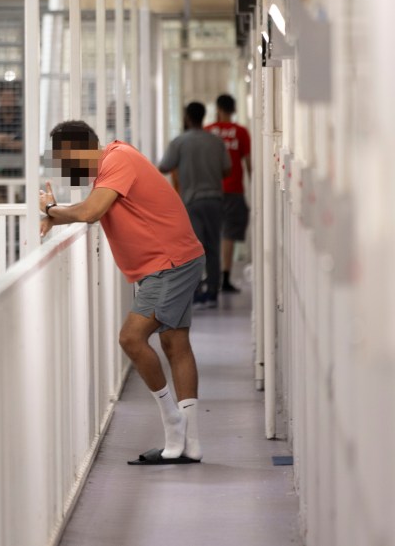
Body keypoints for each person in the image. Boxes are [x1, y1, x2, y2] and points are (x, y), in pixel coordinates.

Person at [39, 121, 205, 465]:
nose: (66, 167)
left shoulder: (118, 159)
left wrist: (51, 212)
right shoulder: (111, 165)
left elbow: (90, 212)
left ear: (80, 148)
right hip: (172, 260)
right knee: (175, 343)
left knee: (131, 338)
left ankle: (175, 425)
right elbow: (90, 208)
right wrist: (58, 215)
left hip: (169, 263)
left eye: (65, 158)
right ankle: (191, 443)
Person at [158, 102, 230, 309]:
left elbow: (164, 166)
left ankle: (197, 291)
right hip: (215, 200)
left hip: (191, 201)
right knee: (213, 246)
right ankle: (213, 294)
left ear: (187, 118)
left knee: (194, 249)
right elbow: (227, 169)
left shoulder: (179, 142)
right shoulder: (216, 142)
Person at [205, 94, 251, 293]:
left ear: (218, 109)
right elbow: (249, 164)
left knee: (210, 233)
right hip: (233, 190)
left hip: (210, 189)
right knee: (229, 234)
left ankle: (210, 276)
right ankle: (225, 277)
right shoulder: (240, 132)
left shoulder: (207, 132)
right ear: (233, 110)